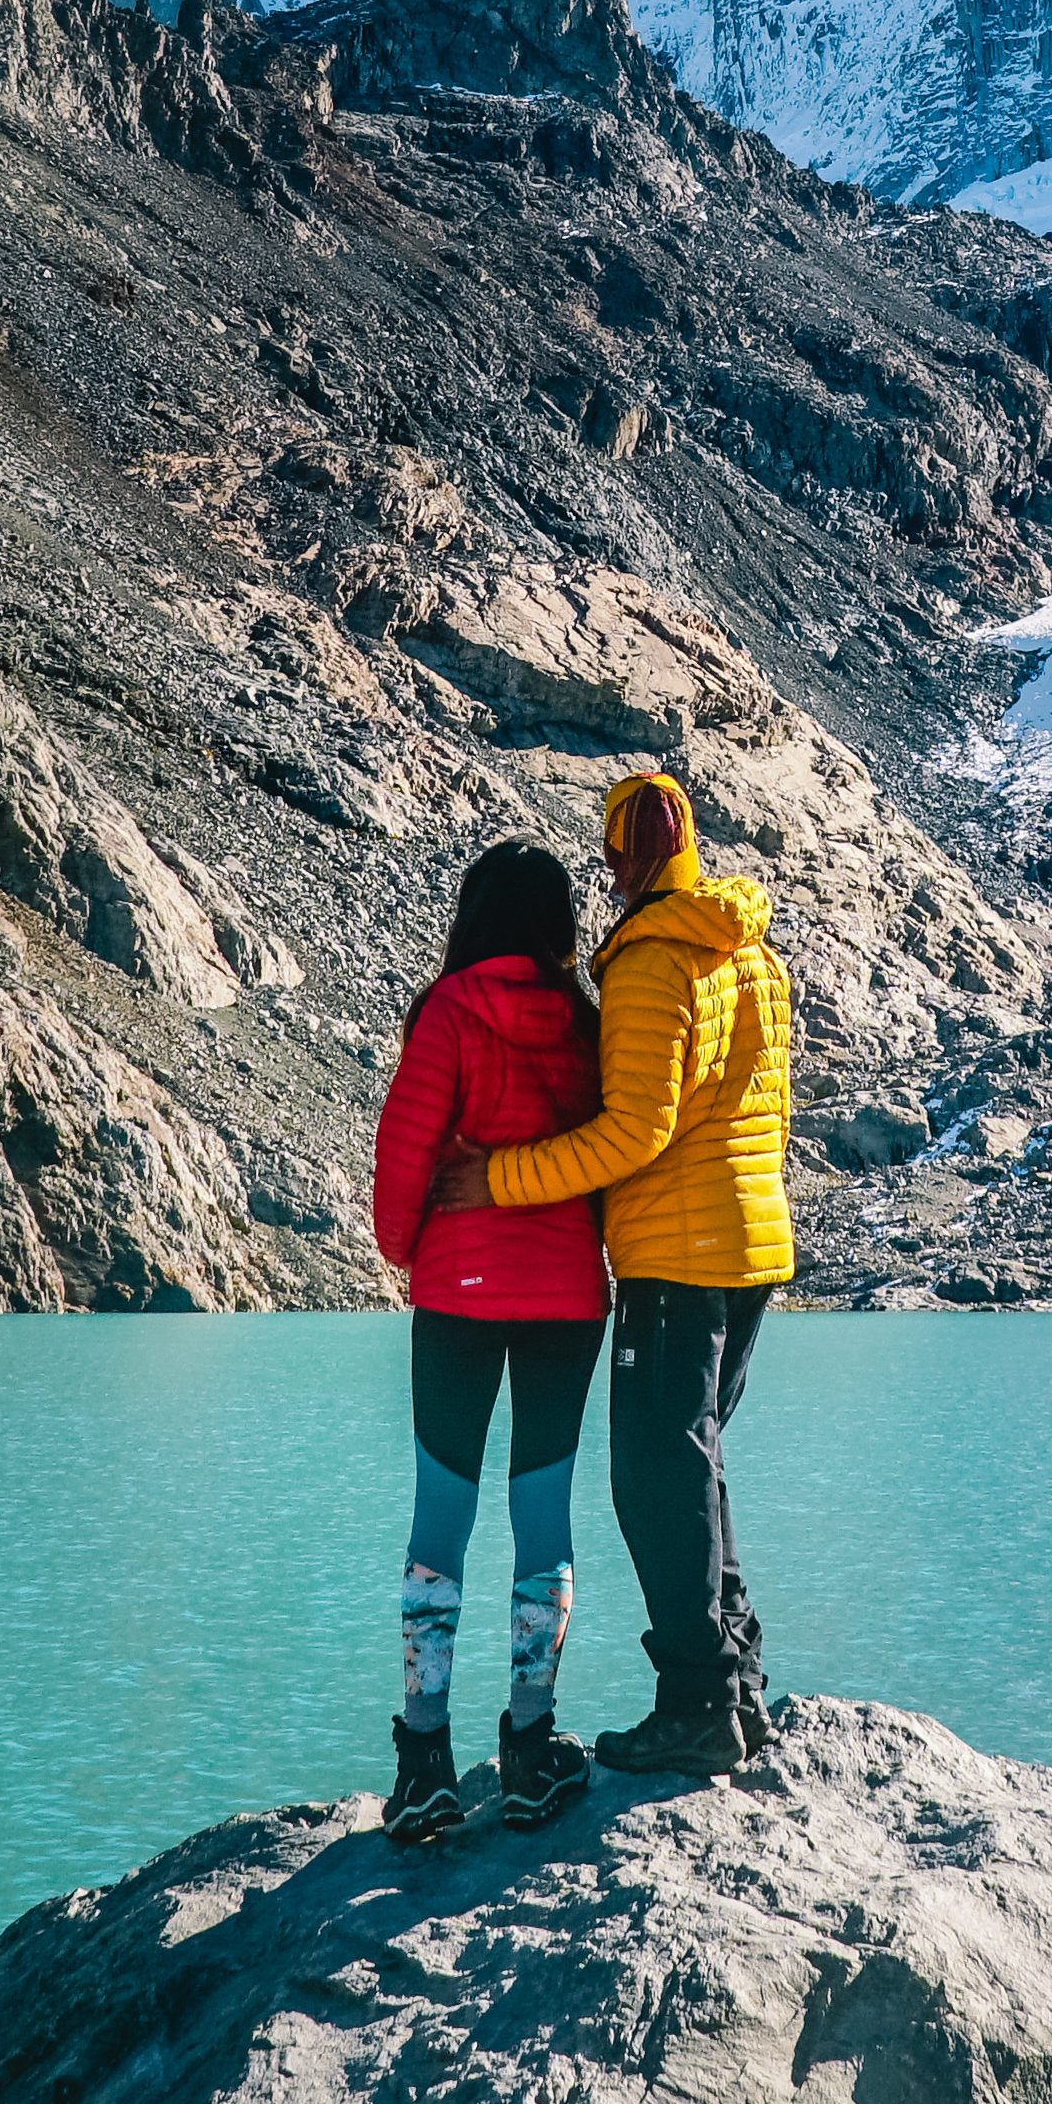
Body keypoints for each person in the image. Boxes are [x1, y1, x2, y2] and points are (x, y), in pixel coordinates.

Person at [424, 769, 795, 1778]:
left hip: (677, 1258)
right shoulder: (750, 950)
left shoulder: (645, 962)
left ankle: (697, 1704)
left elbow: (636, 1130)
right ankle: (740, 1684)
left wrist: (496, 1178)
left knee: (651, 1477)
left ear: (629, 855)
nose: (610, 874)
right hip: (753, 1248)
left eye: (612, 854)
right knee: (697, 1462)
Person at [365, 840, 612, 1846]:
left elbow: (404, 1147)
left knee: (443, 1516)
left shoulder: (450, 1008)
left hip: (458, 1289)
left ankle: (425, 1761)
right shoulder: (590, 1022)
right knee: (542, 1516)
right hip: (564, 1295)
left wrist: (406, 1246)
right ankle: (531, 1749)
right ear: (557, 923)